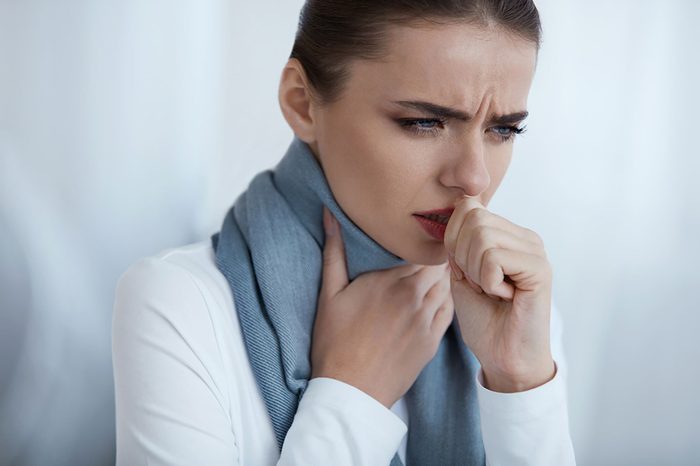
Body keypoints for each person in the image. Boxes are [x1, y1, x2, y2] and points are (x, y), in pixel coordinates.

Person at [112, 0, 577, 464]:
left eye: (503, 130)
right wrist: (352, 395)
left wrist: (519, 382)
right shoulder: (181, 302)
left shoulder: (512, 312)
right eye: (423, 122)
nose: (474, 178)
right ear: (302, 103)